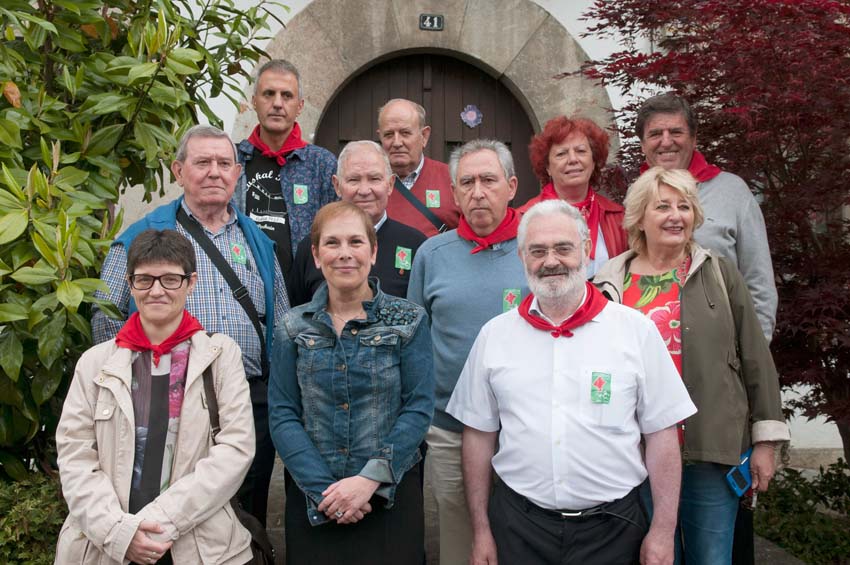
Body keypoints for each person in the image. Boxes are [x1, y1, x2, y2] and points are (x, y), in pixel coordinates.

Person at [448, 199, 696, 564]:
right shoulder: (494, 336)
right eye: (538, 250)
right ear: (522, 257)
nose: (551, 261)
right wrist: (481, 531)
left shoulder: (635, 331)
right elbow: (478, 437)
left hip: (613, 530)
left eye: (563, 248)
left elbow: (662, 435)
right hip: (519, 529)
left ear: (586, 250)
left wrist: (661, 532)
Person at [92, 125, 288, 528]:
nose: (214, 172)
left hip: (249, 402)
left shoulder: (259, 242)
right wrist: (133, 385)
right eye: (202, 163)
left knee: (244, 516)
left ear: (238, 174)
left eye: (224, 163)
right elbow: (105, 314)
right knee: (169, 510)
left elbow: (282, 321)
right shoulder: (141, 236)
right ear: (179, 171)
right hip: (164, 398)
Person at [593, 167, 790, 564]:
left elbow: (755, 357)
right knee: (651, 557)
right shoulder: (610, 281)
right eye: (662, 206)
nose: (675, 215)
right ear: (639, 218)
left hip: (710, 450)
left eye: (684, 206)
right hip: (635, 454)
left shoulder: (718, 272)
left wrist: (765, 441)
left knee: (711, 558)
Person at [57, 229, 255, 565]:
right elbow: (75, 456)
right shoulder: (95, 363)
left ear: (191, 283)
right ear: (131, 285)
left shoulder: (220, 356)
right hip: (108, 544)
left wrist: (161, 523)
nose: (157, 290)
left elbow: (236, 450)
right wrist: (120, 532)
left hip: (197, 545)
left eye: (170, 279)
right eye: (145, 280)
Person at [268, 201, 434, 564]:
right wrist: (324, 491)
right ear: (315, 254)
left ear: (373, 252)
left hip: (388, 499)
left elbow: (418, 408)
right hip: (316, 500)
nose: (345, 254)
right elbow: (282, 414)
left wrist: (368, 481)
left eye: (356, 242)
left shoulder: (407, 320)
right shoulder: (292, 327)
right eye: (332, 243)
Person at [408, 139, 529, 564]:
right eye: (467, 182)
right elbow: (416, 343)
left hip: (527, 428)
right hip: (449, 431)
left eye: (489, 180)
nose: (478, 191)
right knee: (463, 546)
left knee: (524, 540)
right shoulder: (432, 255)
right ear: (455, 194)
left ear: (511, 186)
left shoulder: (538, 249)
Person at [635, 92, 777, 340]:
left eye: (676, 132)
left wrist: (754, 353)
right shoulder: (635, 198)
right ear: (643, 144)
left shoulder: (732, 192)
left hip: (722, 351)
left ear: (694, 138)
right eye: (656, 134)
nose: (666, 142)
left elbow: (759, 281)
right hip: (651, 348)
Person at [287, 140, 426, 305]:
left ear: (390, 184)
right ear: (337, 186)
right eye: (354, 180)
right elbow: (296, 316)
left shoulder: (416, 245)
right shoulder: (313, 246)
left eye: (374, 179)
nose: (364, 190)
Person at [234, 58, 338, 278]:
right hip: (243, 289)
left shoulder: (322, 164)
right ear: (254, 101)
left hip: (303, 296)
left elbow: (337, 232)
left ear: (300, 106)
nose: (277, 103)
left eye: (287, 96)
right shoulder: (233, 160)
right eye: (269, 94)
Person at [518, 116, 628, 277]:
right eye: (562, 154)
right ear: (547, 166)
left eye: (581, 151)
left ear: (594, 160)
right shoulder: (523, 218)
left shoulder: (619, 218)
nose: (573, 159)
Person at [378, 98, 461, 237]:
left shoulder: (453, 178)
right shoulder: (369, 184)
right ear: (380, 137)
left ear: (424, 136)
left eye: (405, 133)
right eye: (389, 134)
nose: (397, 142)